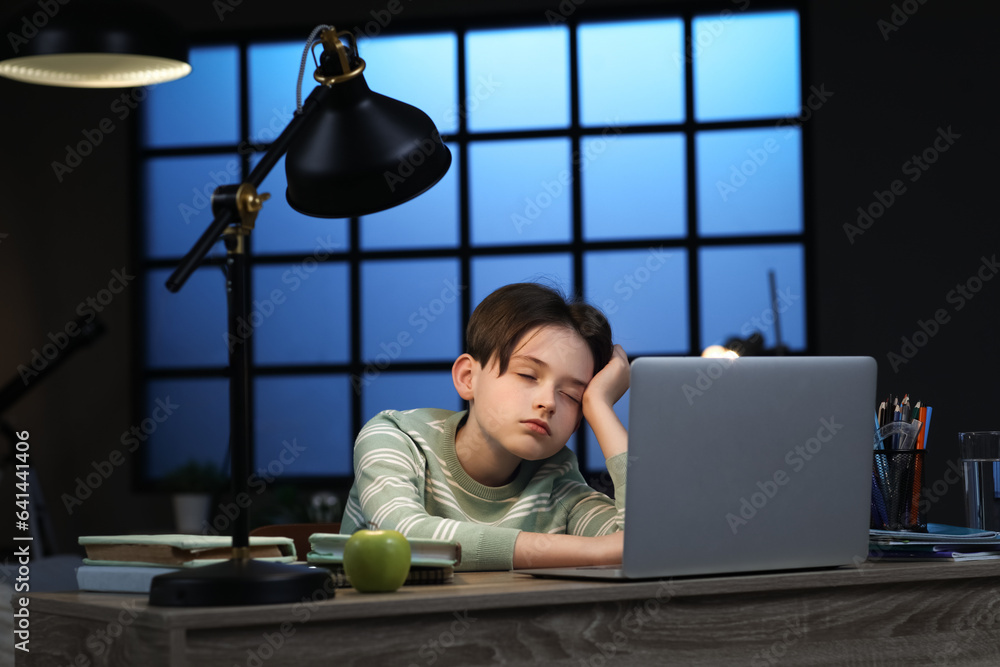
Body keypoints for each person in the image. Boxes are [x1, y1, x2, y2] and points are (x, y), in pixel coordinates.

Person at [340, 283, 629, 570]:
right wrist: (597, 551)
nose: (548, 402)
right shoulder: (396, 437)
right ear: (468, 377)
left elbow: (650, 539)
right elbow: (402, 536)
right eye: (528, 375)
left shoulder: (557, 478)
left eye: (571, 396)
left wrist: (600, 408)